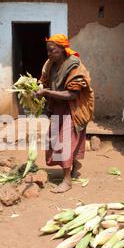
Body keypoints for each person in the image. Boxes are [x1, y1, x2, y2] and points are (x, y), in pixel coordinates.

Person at [36, 34, 94, 193]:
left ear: (62, 49)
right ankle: (74, 164)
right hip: (57, 107)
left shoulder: (74, 66)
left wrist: (46, 92)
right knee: (56, 139)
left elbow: (72, 95)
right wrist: (41, 88)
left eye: (52, 51)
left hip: (72, 108)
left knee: (65, 141)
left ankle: (67, 180)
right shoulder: (51, 64)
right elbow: (45, 80)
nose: (49, 54)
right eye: (47, 51)